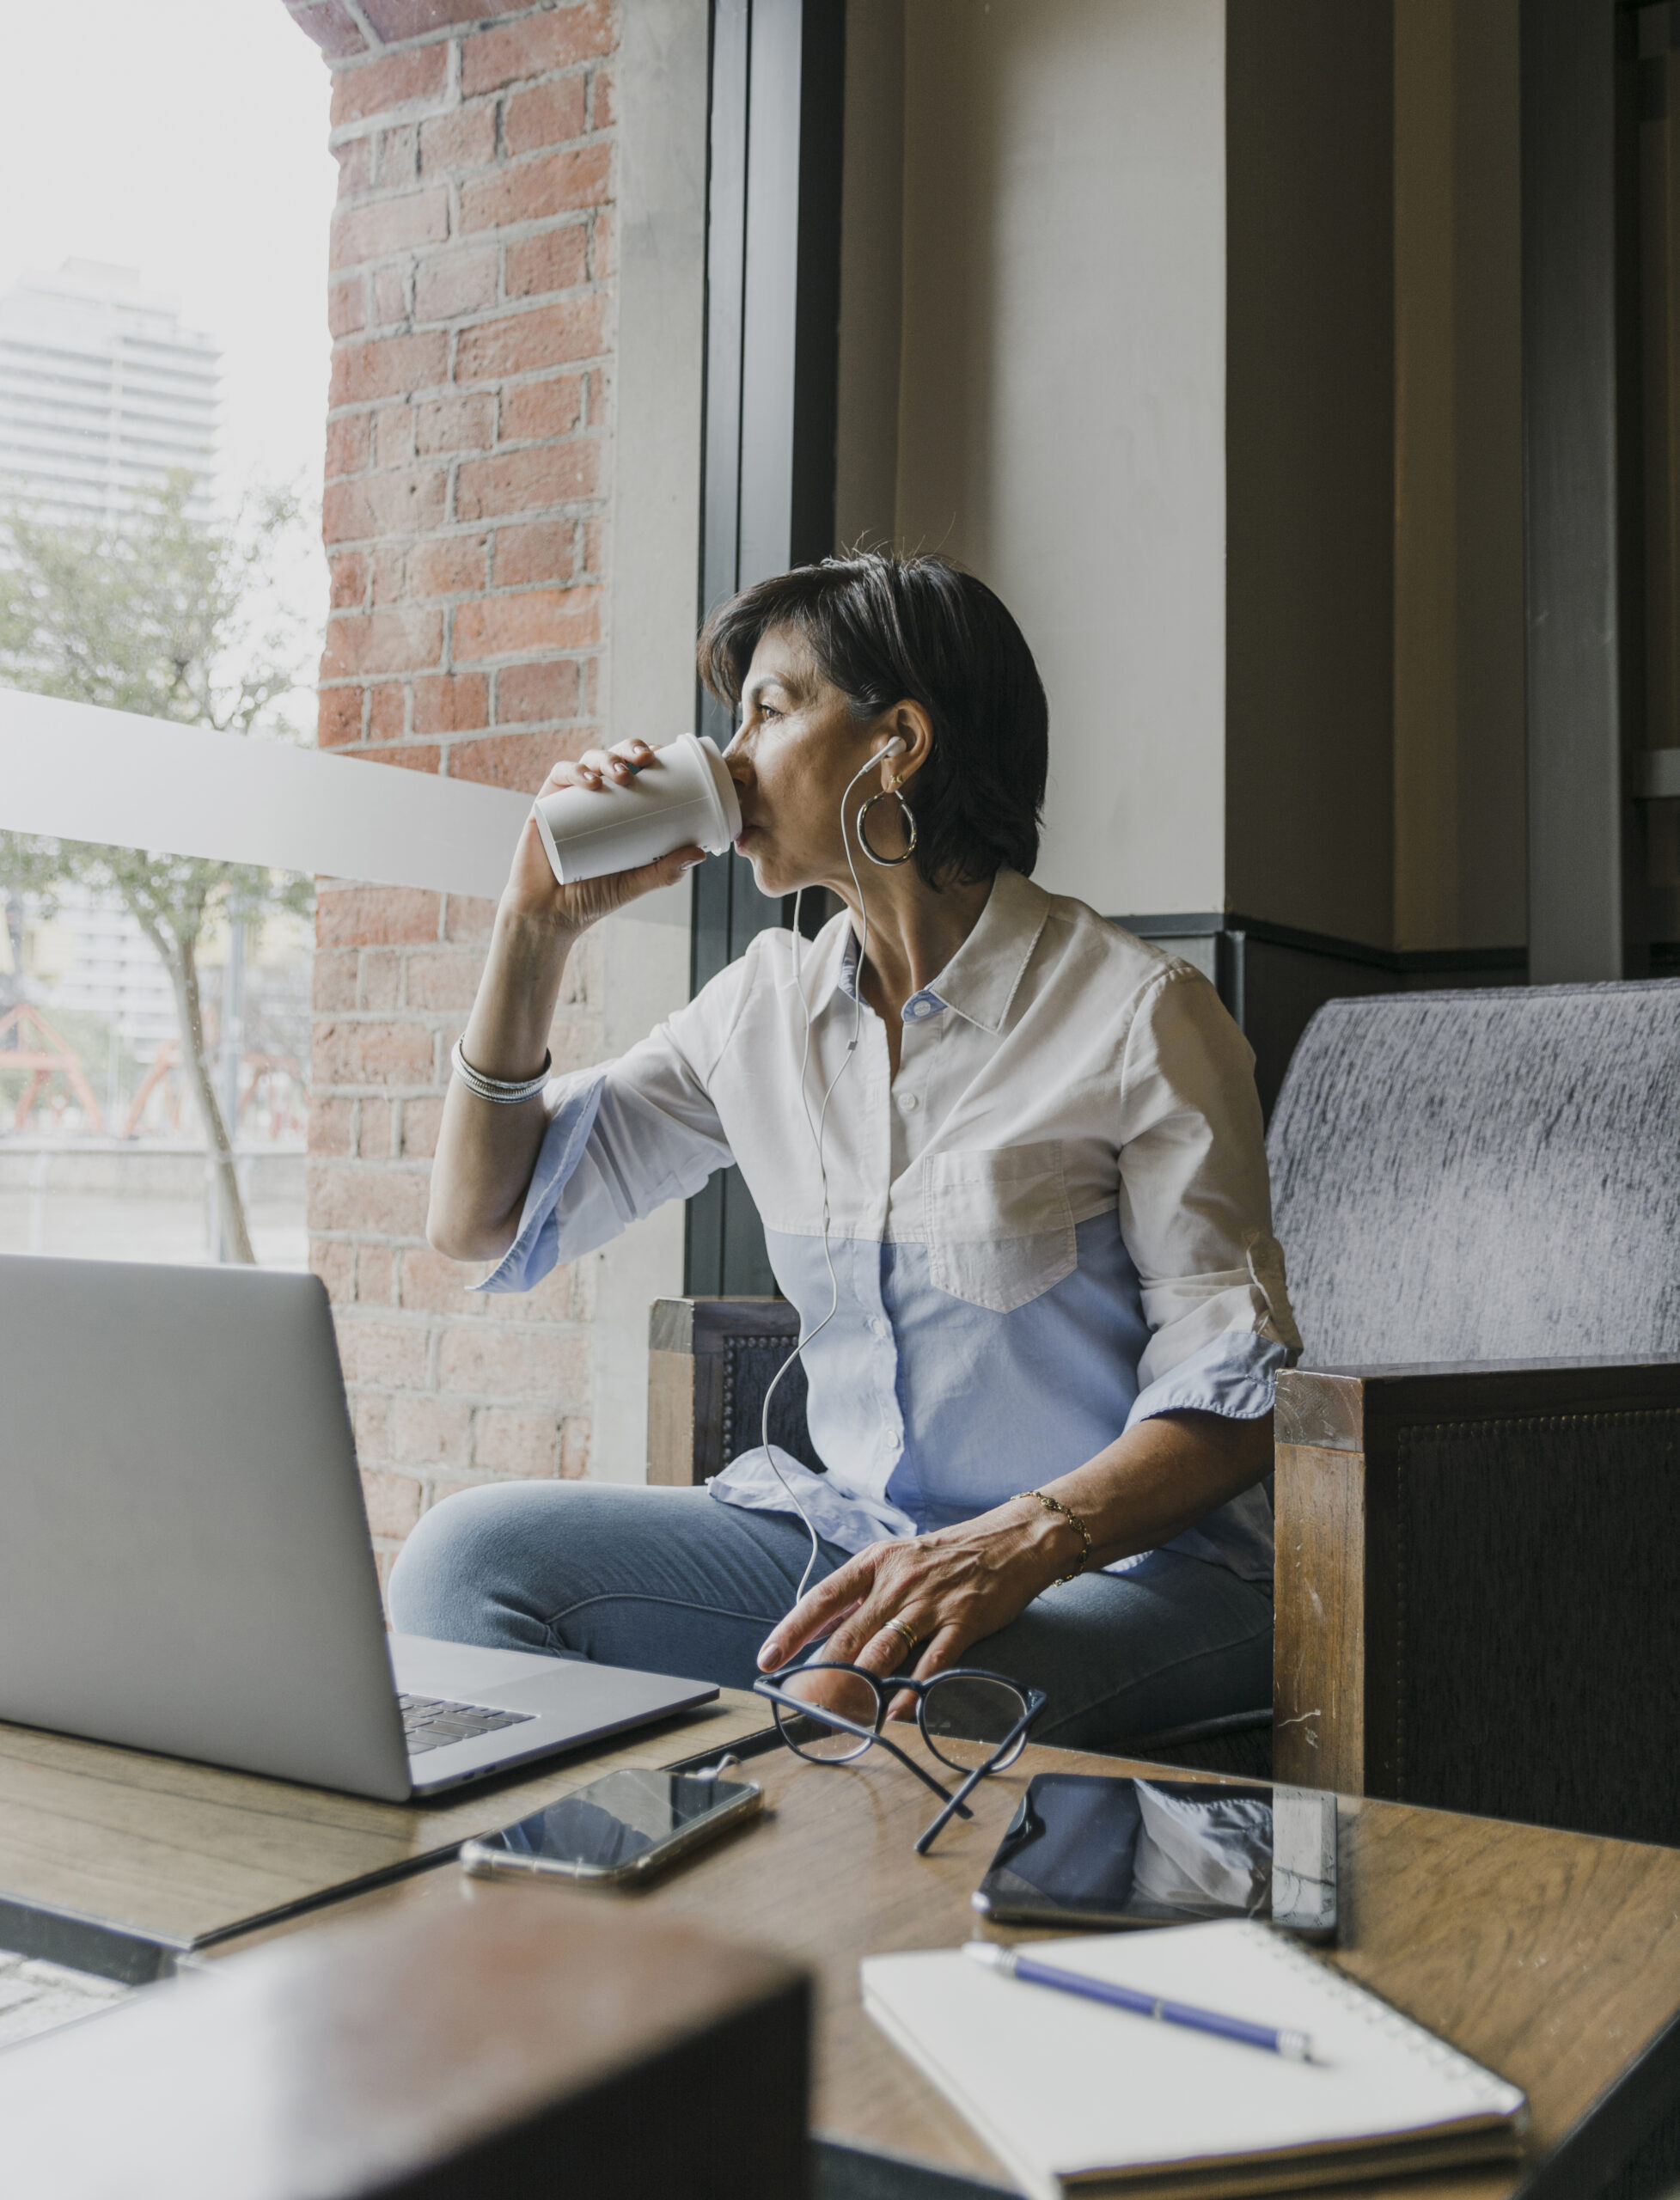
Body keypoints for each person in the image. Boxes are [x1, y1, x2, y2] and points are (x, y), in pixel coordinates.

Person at [389, 553, 1299, 1751]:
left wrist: (1014, 1542)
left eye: (768, 711)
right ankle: (591, 1916)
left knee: (849, 1706)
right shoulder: (758, 1011)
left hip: (1125, 1578)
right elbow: (483, 1220)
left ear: (899, 742)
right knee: (467, 1563)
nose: (727, 760)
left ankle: (730, 1914)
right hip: (859, 1550)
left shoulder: (1139, 1018)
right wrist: (534, 927)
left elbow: (1236, 1402)